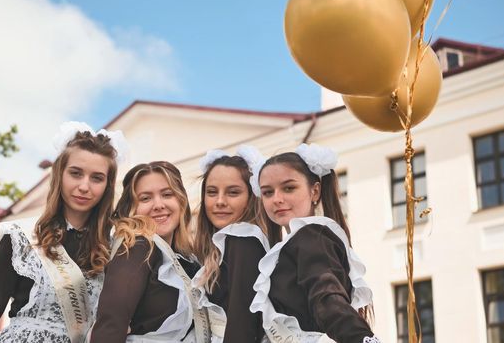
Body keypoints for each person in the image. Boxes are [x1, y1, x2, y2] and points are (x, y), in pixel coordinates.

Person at [0, 121, 128, 343]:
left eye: (97, 178)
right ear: (59, 174)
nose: (85, 186)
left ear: (108, 185)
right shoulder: (22, 238)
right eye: (76, 173)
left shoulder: (114, 248)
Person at [250, 143, 381, 343]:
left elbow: (328, 300)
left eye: (289, 188)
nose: (277, 199)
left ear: (315, 191)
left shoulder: (311, 237)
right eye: (268, 192)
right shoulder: (297, 242)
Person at [90, 161, 207, 343]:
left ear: (181, 201)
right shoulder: (138, 247)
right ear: (132, 208)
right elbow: (111, 323)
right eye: (145, 198)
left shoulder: (187, 257)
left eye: (167, 194)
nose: (158, 205)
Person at [192, 146, 269, 343]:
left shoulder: (244, 241)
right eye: (211, 192)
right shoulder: (221, 245)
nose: (219, 201)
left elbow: (242, 324)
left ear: (251, 198)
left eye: (232, 192)